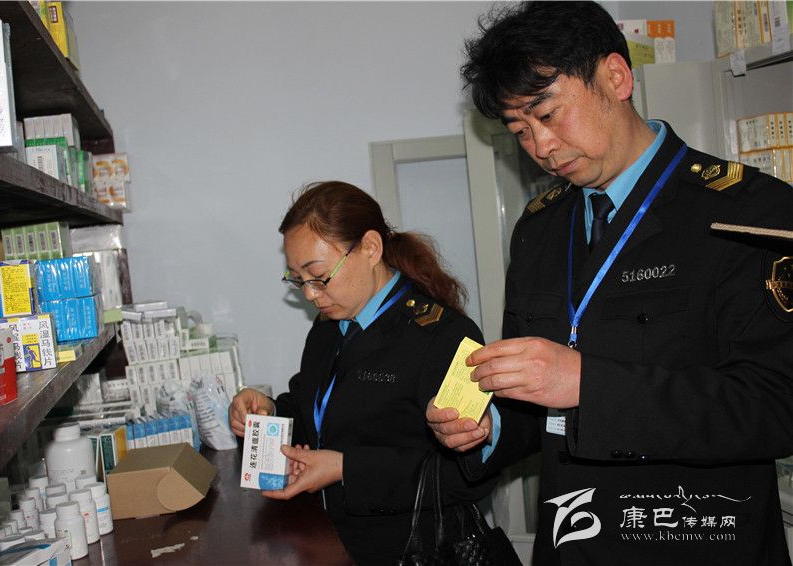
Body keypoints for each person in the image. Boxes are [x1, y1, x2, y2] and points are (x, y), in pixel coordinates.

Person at [425, 2, 793, 565]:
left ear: (616, 78)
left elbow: (775, 405)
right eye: (520, 131)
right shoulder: (540, 229)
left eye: (548, 115)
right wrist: (486, 426)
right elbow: (535, 403)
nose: (541, 147)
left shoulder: (746, 213)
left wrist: (585, 384)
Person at [228, 181, 500, 565]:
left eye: (319, 276)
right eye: (297, 279)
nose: (309, 294)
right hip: (332, 542)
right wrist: (267, 412)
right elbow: (315, 415)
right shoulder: (328, 328)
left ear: (371, 248)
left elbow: (464, 475)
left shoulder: (442, 335)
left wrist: (345, 468)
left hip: (412, 550)